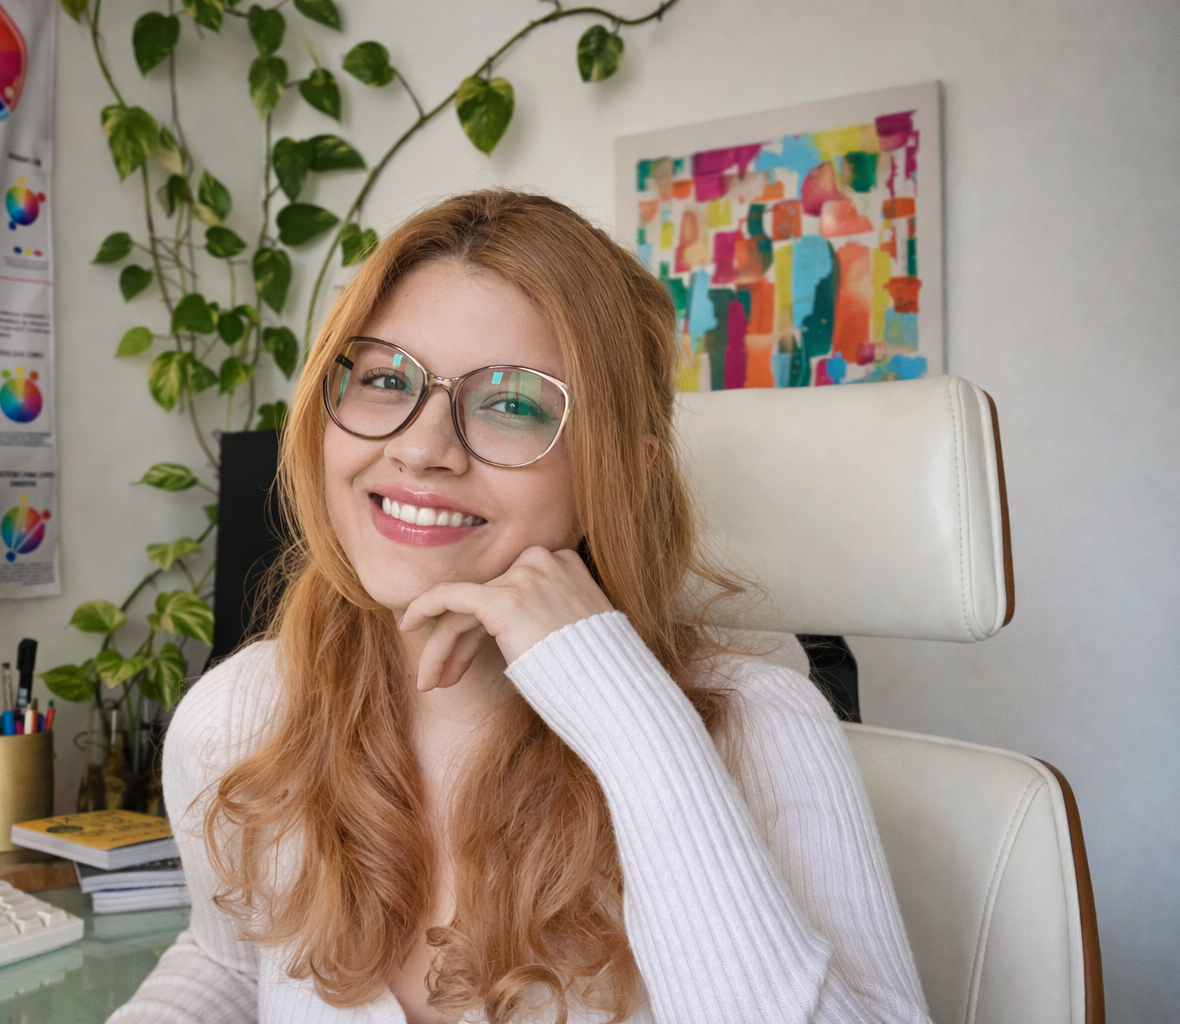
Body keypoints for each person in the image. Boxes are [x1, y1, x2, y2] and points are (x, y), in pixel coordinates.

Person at [108, 190, 931, 1024]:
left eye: (510, 402)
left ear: (621, 474)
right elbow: (227, 965)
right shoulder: (241, 718)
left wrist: (636, 727)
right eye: (386, 379)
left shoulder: (759, 727)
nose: (420, 448)